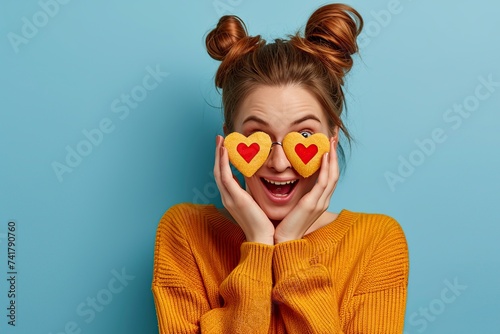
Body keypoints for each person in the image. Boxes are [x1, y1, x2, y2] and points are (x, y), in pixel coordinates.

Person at [152, 3, 409, 333]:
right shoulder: (184, 233)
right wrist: (259, 244)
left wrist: (288, 244)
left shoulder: (376, 242)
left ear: (331, 138)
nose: (279, 162)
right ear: (229, 139)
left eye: (303, 134)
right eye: (257, 135)